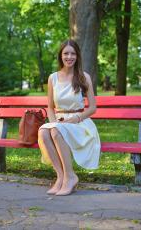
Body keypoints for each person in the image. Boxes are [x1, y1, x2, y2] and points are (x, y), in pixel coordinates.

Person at [38, 39, 101, 196]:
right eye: (66, 53)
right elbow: (50, 107)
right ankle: (61, 177)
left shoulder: (83, 77)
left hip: (80, 123)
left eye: (73, 53)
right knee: (44, 132)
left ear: (77, 56)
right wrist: (53, 123)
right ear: (61, 56)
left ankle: (71, 177)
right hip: (59, 121)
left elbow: (92, 108)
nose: (69, 57)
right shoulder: (53, 78)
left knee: (55, 132)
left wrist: (77, 118)